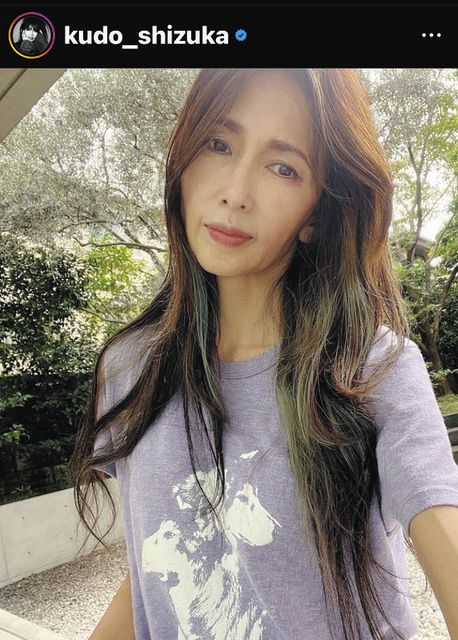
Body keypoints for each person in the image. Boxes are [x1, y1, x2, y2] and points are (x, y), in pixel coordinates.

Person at [68, 69, 458, 640]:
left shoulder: (374, 369)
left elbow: (441, 524)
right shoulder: (131, 366)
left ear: (316, 215)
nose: (235, 191)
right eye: (218, 143)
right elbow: (158, 561)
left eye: (283, 167)